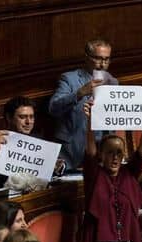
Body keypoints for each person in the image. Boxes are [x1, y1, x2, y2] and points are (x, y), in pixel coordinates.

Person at [78, 100, 142, 242]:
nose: (115, 158)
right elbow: (89, 152)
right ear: (101, 155)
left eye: (119, 153)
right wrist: (90, 121)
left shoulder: (129, 174)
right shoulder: (94, 175)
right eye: (110, 153)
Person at [48, 38, 117, 170]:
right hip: (71, 151)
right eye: (98, 58)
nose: (102, 64)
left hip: (99, 151)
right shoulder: (69, 78)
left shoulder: (113, 82)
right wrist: (79, 93)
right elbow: (53, 108)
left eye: (106, 59)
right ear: (87, 57)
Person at [0, 96, 66, 190]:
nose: (28, 122)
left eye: (31, 117)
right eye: (22, 117)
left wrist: (56, 166)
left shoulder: (39, 141)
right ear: (9, 118)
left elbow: (49, 174)